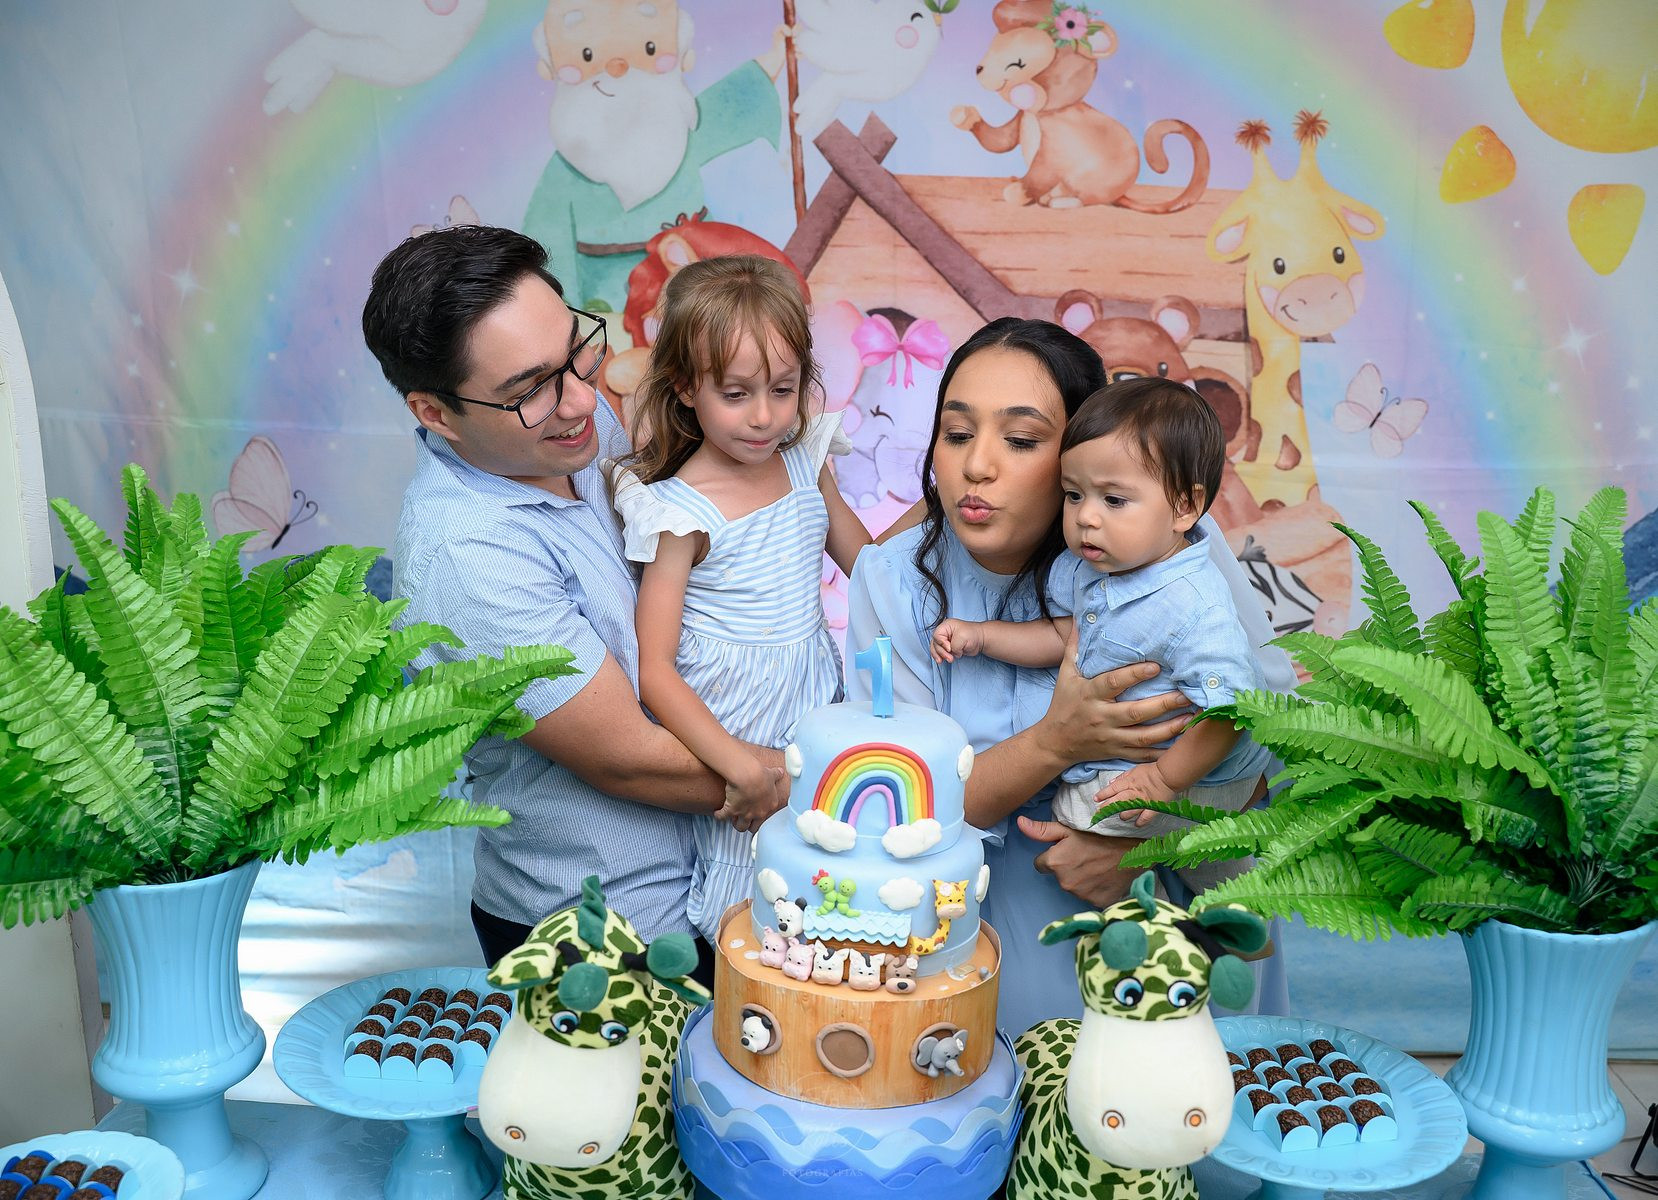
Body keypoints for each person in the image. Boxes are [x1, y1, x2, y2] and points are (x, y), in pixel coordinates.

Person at [846, 318, 1297, 1037]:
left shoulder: (1170, 551)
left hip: (1168, 870)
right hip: (980, 899)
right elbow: (901, 808)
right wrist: (1056, 742)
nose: (977, 466)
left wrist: (1141, 849)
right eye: (956, 434)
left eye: (1021, 441)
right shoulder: (892, 580)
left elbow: (1267, 737)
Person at [362, 224, 784, 975]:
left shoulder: (565, 424)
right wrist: (840, 776)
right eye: (530, 390)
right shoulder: (468, 555)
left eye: (576, 353)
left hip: (716, 880)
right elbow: (631, 761)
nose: (583, 398)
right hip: (601, 932)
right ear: (435, 413)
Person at [610, 255, 871, 944]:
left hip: (812, 702)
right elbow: (654, 670)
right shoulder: (677, 512)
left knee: (831, 889)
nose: (764, 417)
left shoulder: (805, 460)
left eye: (783, 390)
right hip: (733, 722)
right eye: (736, 393)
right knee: (748, 911)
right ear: (685, 386)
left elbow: (873, 570)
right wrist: (735, 764)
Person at [929, 376, 1272, 898]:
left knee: (1093, 811)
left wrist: (1164, 780)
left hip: (1205, 775)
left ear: (1184, 506)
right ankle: (1200, 905)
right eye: (1073, 495)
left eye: (1113, 499)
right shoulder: (1096, 567)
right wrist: (983, 637)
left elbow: (1231, 713)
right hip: (1164, 769)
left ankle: (1199, 907)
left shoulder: (1195, 606)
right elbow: (1067, 636)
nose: (1086, 517)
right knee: (1170, 850)